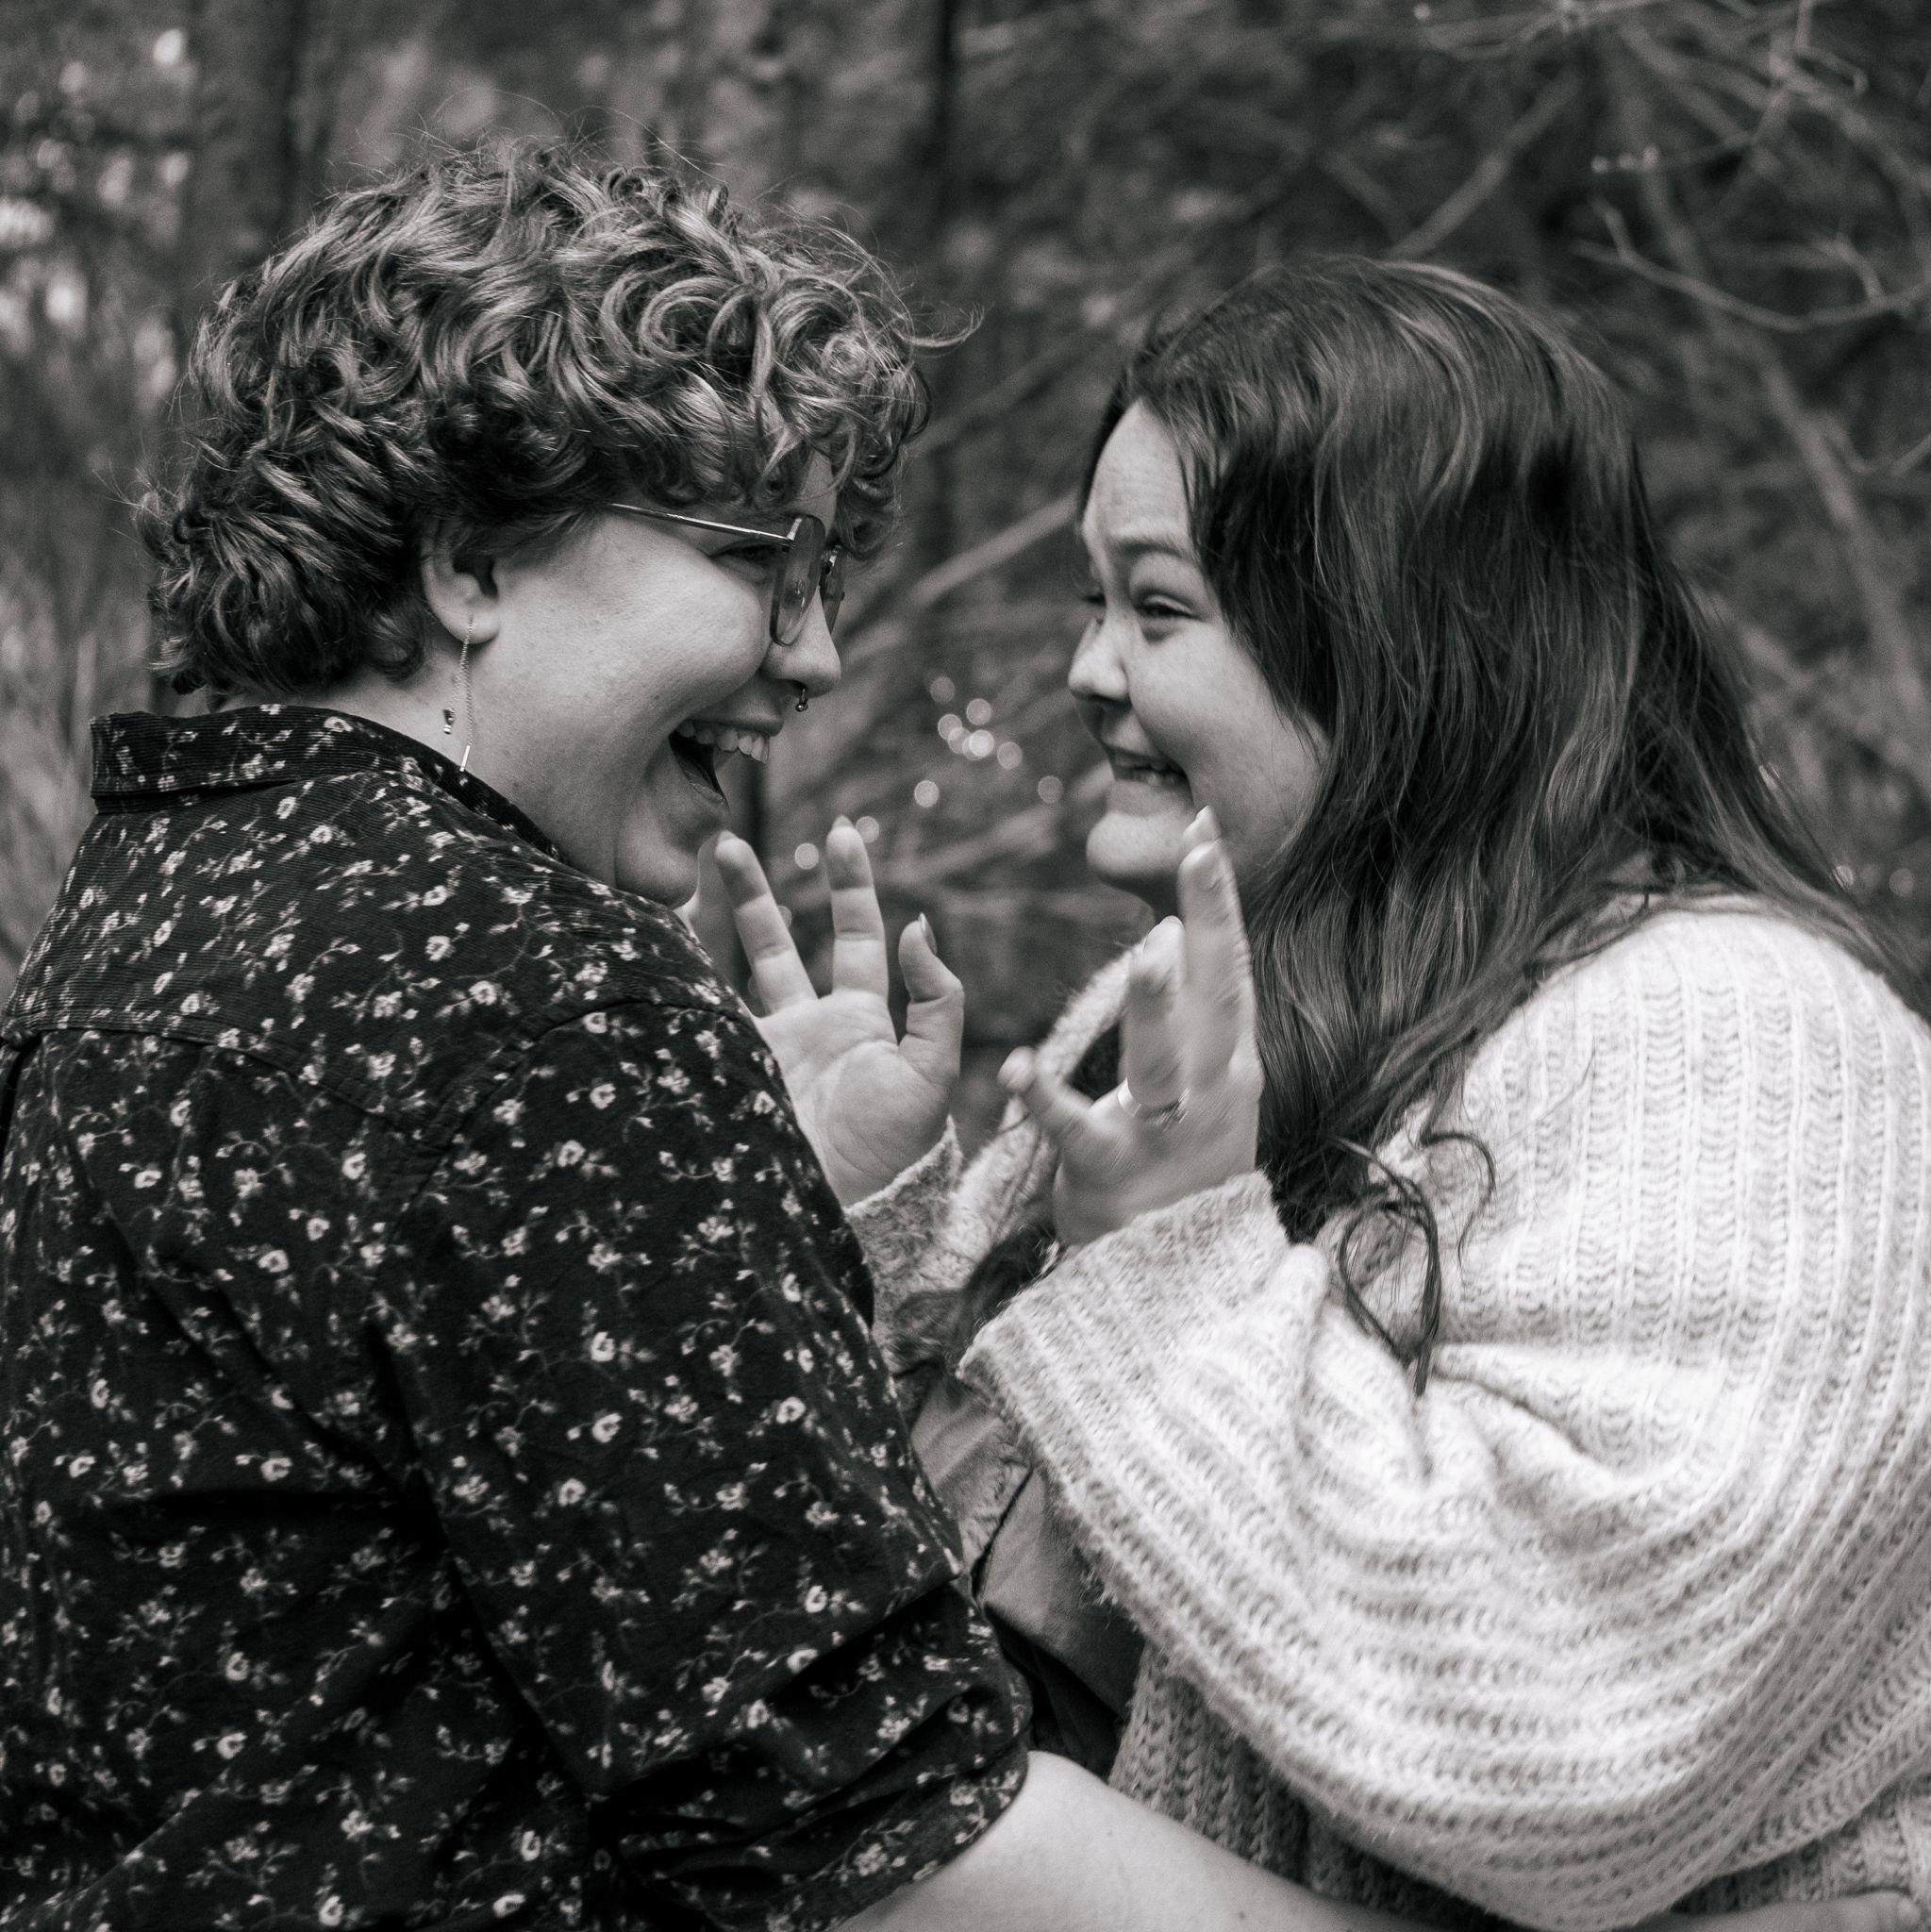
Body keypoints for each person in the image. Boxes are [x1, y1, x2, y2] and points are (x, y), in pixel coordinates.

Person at [0, 143, 1481, 1932]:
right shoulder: (531, 1001)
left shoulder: (155, 908)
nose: (818, 652)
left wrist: (803, 1228)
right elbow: (878, 1838)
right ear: (470, 557)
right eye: (764, 565)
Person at [716, 258, 1931, 1932]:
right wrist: (864, 1223)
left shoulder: (1747, 1041)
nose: (1085, 670)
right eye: (1091, 600)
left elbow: (1578, 1739)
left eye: (1157, 610)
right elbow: (938, 1602)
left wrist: (1169, 1273)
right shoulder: (1192, 1007)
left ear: (1410, 641)